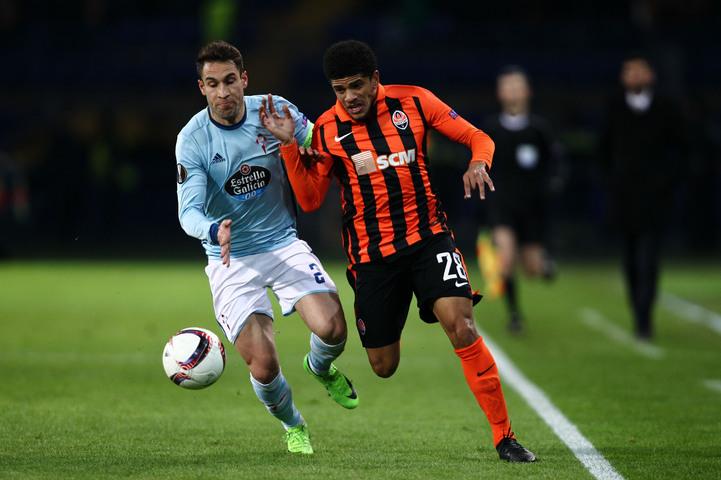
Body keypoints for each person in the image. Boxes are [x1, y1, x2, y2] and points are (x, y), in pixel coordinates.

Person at [260, 39, 535, 463]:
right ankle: (319, 365)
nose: (349, 97)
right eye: (339, 89)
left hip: (429, 239)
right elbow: (310, 200)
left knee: (462, 325)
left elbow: (477, 137)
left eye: (356, 85)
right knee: (383, 366)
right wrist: (290, 147)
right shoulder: (327, 130)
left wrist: (479, 162)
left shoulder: (415, 102)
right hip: (373, 259)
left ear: (375, 79)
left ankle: (505, 438)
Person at [175, 40, 358, 456]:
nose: (223, 92)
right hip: (230, 259)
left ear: (244, 79)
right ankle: (293, 424)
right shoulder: (193, 140)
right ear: (201, 88)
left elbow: (323, 144)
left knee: (333, 329)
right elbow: (188, 212)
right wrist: (212, 229)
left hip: (282, 242)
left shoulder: (275, 111)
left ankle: (320, 366)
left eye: (229, 81)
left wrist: (303, 143)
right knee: (263, 362)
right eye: (212, 84)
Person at [598, 52, 685, 340]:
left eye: (639, 70)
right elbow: (603, 150)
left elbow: (681, 149)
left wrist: (667, 181)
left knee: (649, 259)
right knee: (630, 260)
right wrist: (612, 182)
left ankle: (644, 317)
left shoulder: (666, 108)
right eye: (629, 71)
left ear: (650, 75)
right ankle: (638, 309)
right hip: (624, 198)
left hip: (655, 199)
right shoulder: (614, 108)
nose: (634, 76)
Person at [481, 66, 560, 333]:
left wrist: (553, 184)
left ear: (528, 91)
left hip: (532, 207)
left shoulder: (539, 129)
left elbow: (555, 163)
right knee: (505, 258)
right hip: (501, 204)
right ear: (500, 93)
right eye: (508, 86)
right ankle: (514, 315)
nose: (513, 92)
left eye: (518, 86)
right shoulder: (491, 128)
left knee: (532, 269)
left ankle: (543, 261)